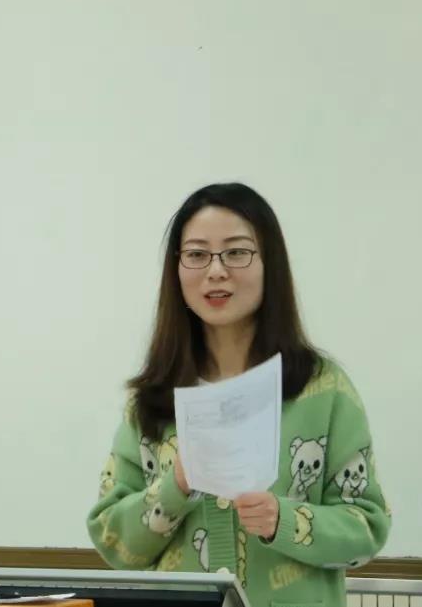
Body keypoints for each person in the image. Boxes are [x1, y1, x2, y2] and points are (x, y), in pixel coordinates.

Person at [86, 182, 391, 607]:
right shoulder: (152, 398)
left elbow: (368, 528)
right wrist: (175, 486)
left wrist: (283, 520)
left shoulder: (323, 388)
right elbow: (113, 543)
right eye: (197, 254)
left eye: (236, 252)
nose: (216, 271)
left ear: (270, 263)